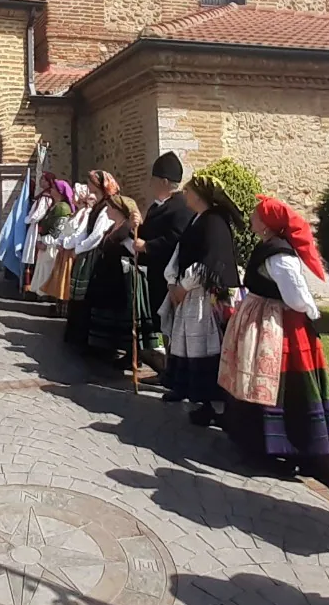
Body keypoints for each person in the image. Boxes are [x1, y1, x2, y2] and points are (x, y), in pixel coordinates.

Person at [220, 196, 329, 473]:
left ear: (267, 222)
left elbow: (295, 294)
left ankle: (287, 446)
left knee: (278, 382)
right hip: (264, 317)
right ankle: (258, 442)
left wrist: (311, 311)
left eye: (255, 215)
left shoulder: (279, 255)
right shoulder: (270, 248)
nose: (251, 219)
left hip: (277, 324)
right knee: (259, 378)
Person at [159, 175, 243, 426]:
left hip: (204, 296)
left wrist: (184, 286)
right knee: (184, 344)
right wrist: (172, 280)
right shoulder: (196, 220)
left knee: (206, 348)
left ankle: (213, 405)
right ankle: (185, 388)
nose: (185, 196)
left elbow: (210, 261)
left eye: (188, 192)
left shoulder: (215, 222)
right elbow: (179, 251)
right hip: (187, 292)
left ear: (198, 195)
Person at [83, 194, 163, 364]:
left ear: (119, 210)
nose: (107, 210)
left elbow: (133, 250)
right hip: (109, 277)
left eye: (110, 207)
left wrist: (131, 227)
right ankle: (108, 347)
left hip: (123, 279)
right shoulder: (114, 226)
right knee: (111, 316)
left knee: (126, 319)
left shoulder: (128, 230)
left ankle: (132, 356)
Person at [136, 153, 194, 327]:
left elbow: (175, 237)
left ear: (164, 182)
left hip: (170, 274)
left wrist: (147, 246)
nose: (150, 184)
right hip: (154, 272)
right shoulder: (156, 207)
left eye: (153, 180)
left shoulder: (182, 206)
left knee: (169, 321)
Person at [62, 171, 116, 346]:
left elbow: (97, 235)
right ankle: (76, 335)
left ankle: (88, 338)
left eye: (92, 183)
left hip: (96, 256)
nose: (89, 187)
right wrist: (74, 245)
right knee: (79, 297)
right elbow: (85, 231)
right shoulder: (98, 206)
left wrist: (78, 248)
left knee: (88, 298)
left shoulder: (107, 207)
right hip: (86, 253)